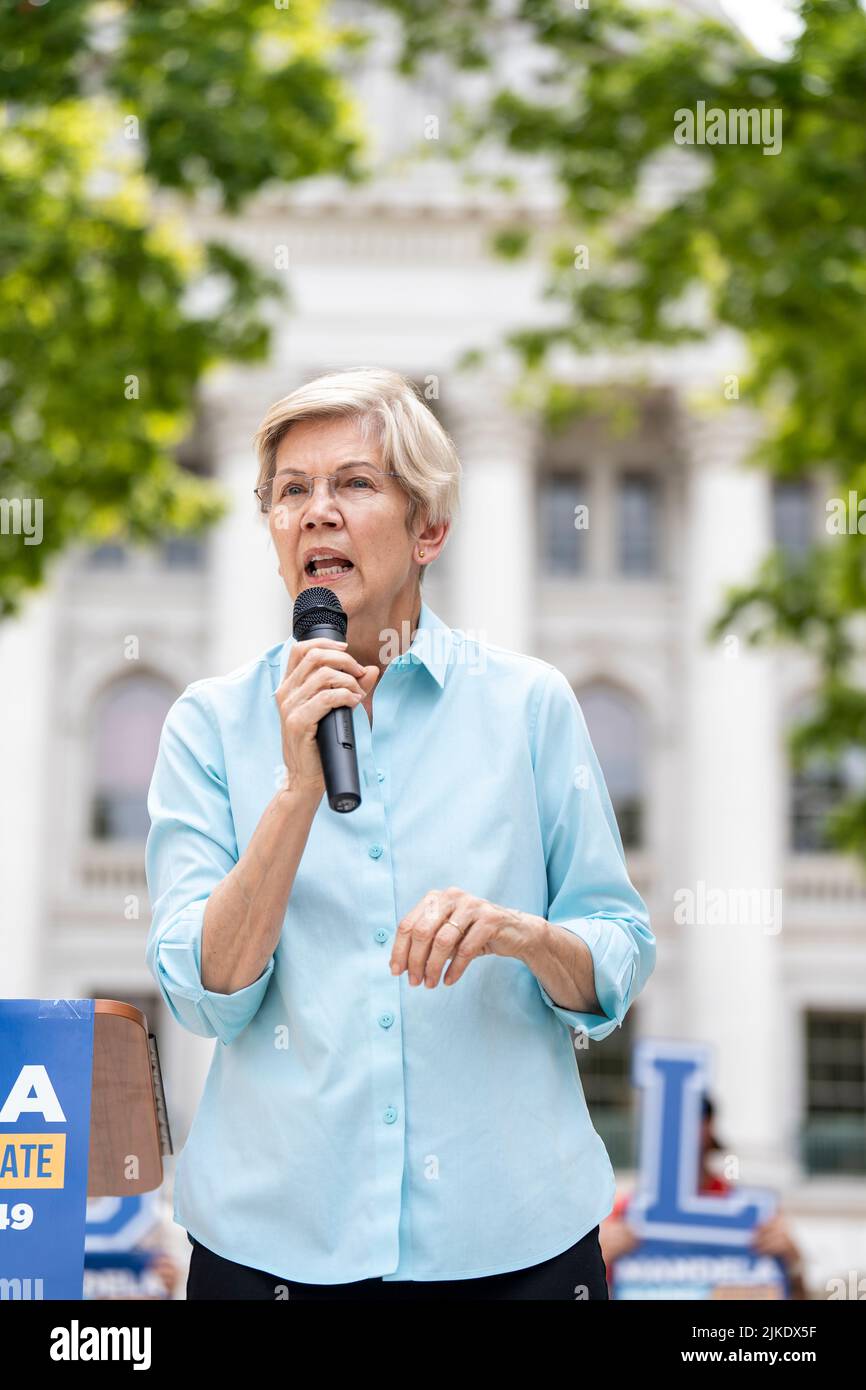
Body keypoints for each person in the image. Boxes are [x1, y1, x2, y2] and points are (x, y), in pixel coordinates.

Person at [144, 366, 656, 1300]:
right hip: (274, 1254)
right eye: (290, 492)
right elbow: (205, 992)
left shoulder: (529, 706)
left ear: (430, 530)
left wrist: (522, 935)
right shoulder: (207, 723)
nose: (316, 513)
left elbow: (618, 952)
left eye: (354, 483)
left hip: (514, 1251)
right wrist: (297, 792)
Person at [600, 1095, 808, 1298]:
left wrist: (793, 1265)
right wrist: (599, 1263)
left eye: (689, 1121)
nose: (677, 1133)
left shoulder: (749, 1213)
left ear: (708, 1126)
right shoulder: (625, 1213)